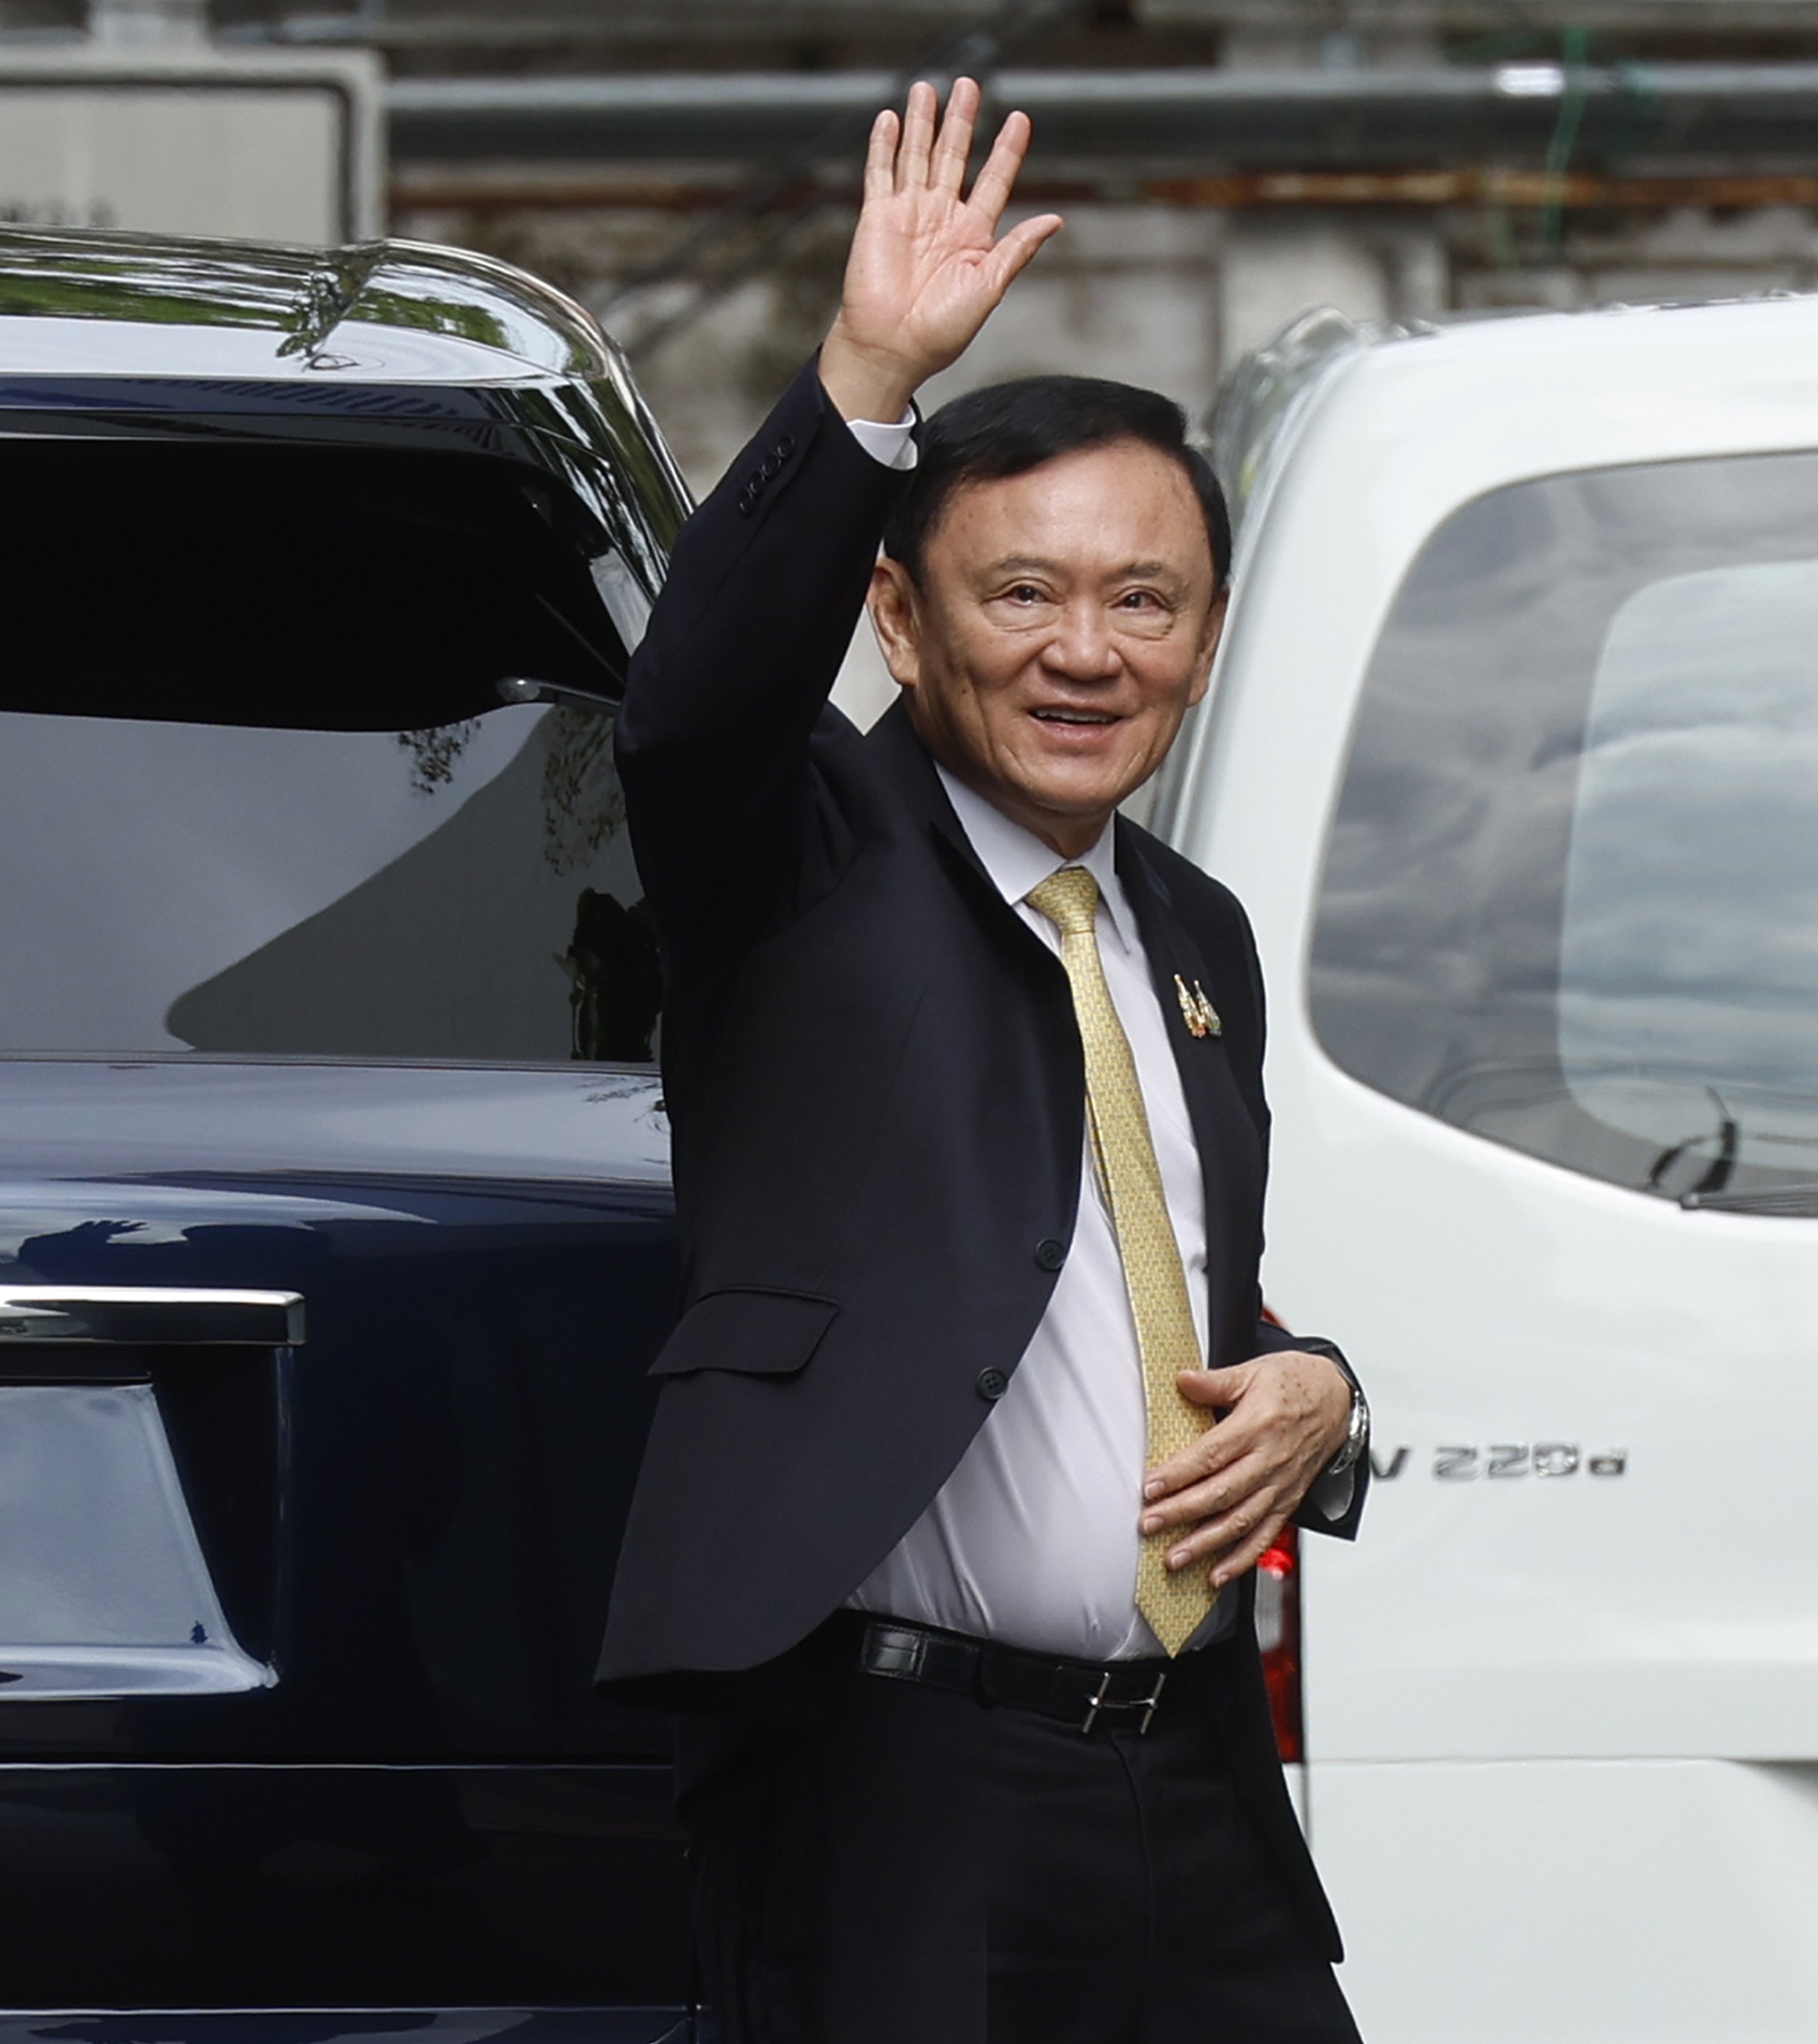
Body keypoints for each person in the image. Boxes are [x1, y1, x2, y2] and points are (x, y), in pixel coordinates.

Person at [593, 75, 1372, 2044]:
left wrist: (1321, 1389)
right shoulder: (797, 860)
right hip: (896, 1792)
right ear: (900, 617)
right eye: (1019, 592)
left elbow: (1153, 1299)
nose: (1083, 649)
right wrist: (865, 374)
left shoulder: (1191, 932)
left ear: (1202, 640)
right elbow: (690, 713)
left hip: (1192, 1779)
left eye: (1142, 600)